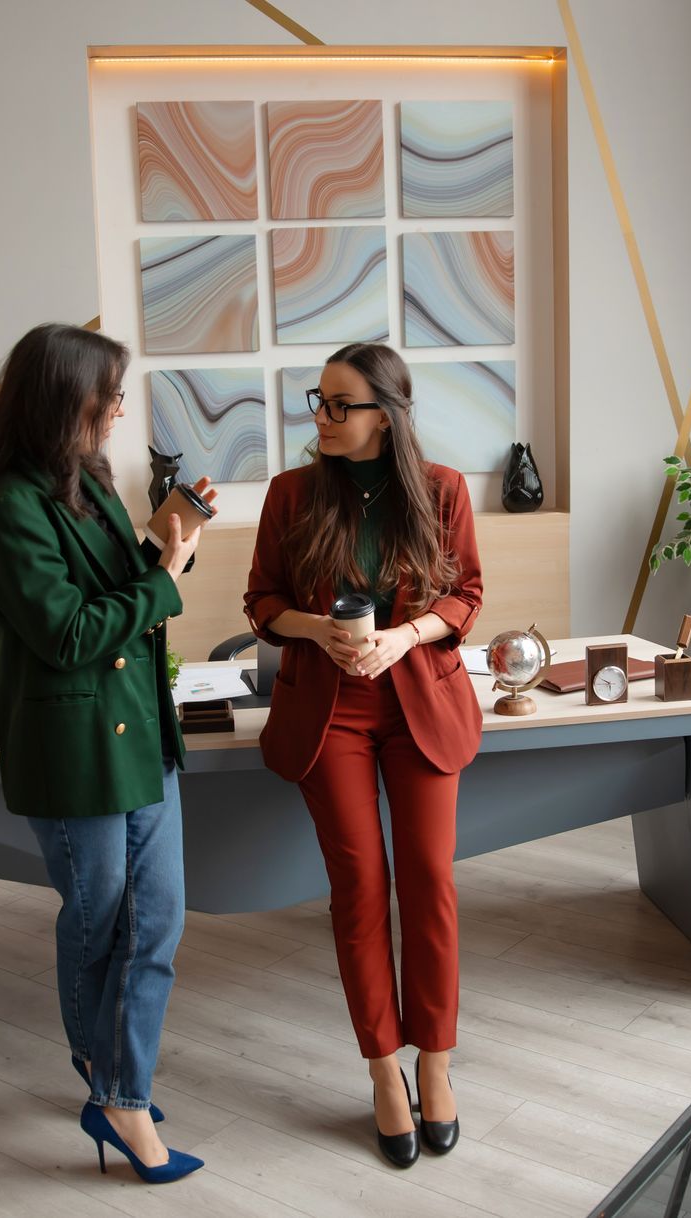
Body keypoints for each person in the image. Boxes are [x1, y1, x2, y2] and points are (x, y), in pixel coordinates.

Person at [0, 322, 214, 1184]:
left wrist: (166, 546)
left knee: (156, 923)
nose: (115, 412)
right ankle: (116, 1091)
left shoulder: (91, 483)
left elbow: (117, 586)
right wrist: (162, 584)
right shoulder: (8, 511)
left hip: (138, 733)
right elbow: (68, 630)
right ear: (55, 400)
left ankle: (113, 1083)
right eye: (102, 396)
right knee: (104, 922)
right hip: (75, 753)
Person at [243, 342, 484, 1167]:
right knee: (359, 887)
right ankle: (384, 1072)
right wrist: (324, 632)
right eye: (319, 401)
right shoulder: (292, 494)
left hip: (420, 697)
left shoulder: (444, 490)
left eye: (339, 405)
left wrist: (402, 636)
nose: (322, 417)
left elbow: (467, 596)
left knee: (430, 879)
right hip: (329, 708)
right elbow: (262, 601)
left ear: (388, 412)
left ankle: (436, 1061)